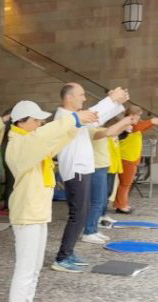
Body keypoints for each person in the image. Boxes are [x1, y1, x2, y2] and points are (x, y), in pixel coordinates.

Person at [2, 100, 97, 302]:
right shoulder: (19, 144)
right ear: (21, 122)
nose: (39, 123)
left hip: (38, 212)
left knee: (34, 268)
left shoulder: (30, 141)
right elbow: (43, 138)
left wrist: (76, 127)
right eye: (35, 120)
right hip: (27, 213)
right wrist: (72, 120)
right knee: (24, 269)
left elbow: (53, 142)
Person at [51, 83, 128, 273]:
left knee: (81, 214)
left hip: (82, 170)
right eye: (81, 95)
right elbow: (94, 114)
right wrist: (111, 99)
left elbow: (97, 118)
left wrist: (117, 103)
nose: (84, 98)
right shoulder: (65, 117)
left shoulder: (75, 118)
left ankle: (68, 253)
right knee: (77, 215)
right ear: (69, 97)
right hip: (76, 171)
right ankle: (62, 258)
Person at [81, 115, 136, 244]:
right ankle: (88, 231)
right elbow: (110, 131)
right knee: (96, 202)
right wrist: (124, 121)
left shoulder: (100, 130)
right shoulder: (93, 131)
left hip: (103, 168)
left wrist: (124, 125)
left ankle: (93, 229)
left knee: (100, 201)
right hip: (97, 168)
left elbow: (114, 132)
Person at [115, 106, 158, 214]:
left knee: (125, 184)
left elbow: (141, 127)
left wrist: (152, 123)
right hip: (127, 158)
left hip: (131, 158)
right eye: (138, 115)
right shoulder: (128, 126)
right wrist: (152, 121)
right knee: (125, 184)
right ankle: (122, 206)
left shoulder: (135, 126)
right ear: (131, 115)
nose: (139, 118)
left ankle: (120, 203)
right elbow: (137, 127)